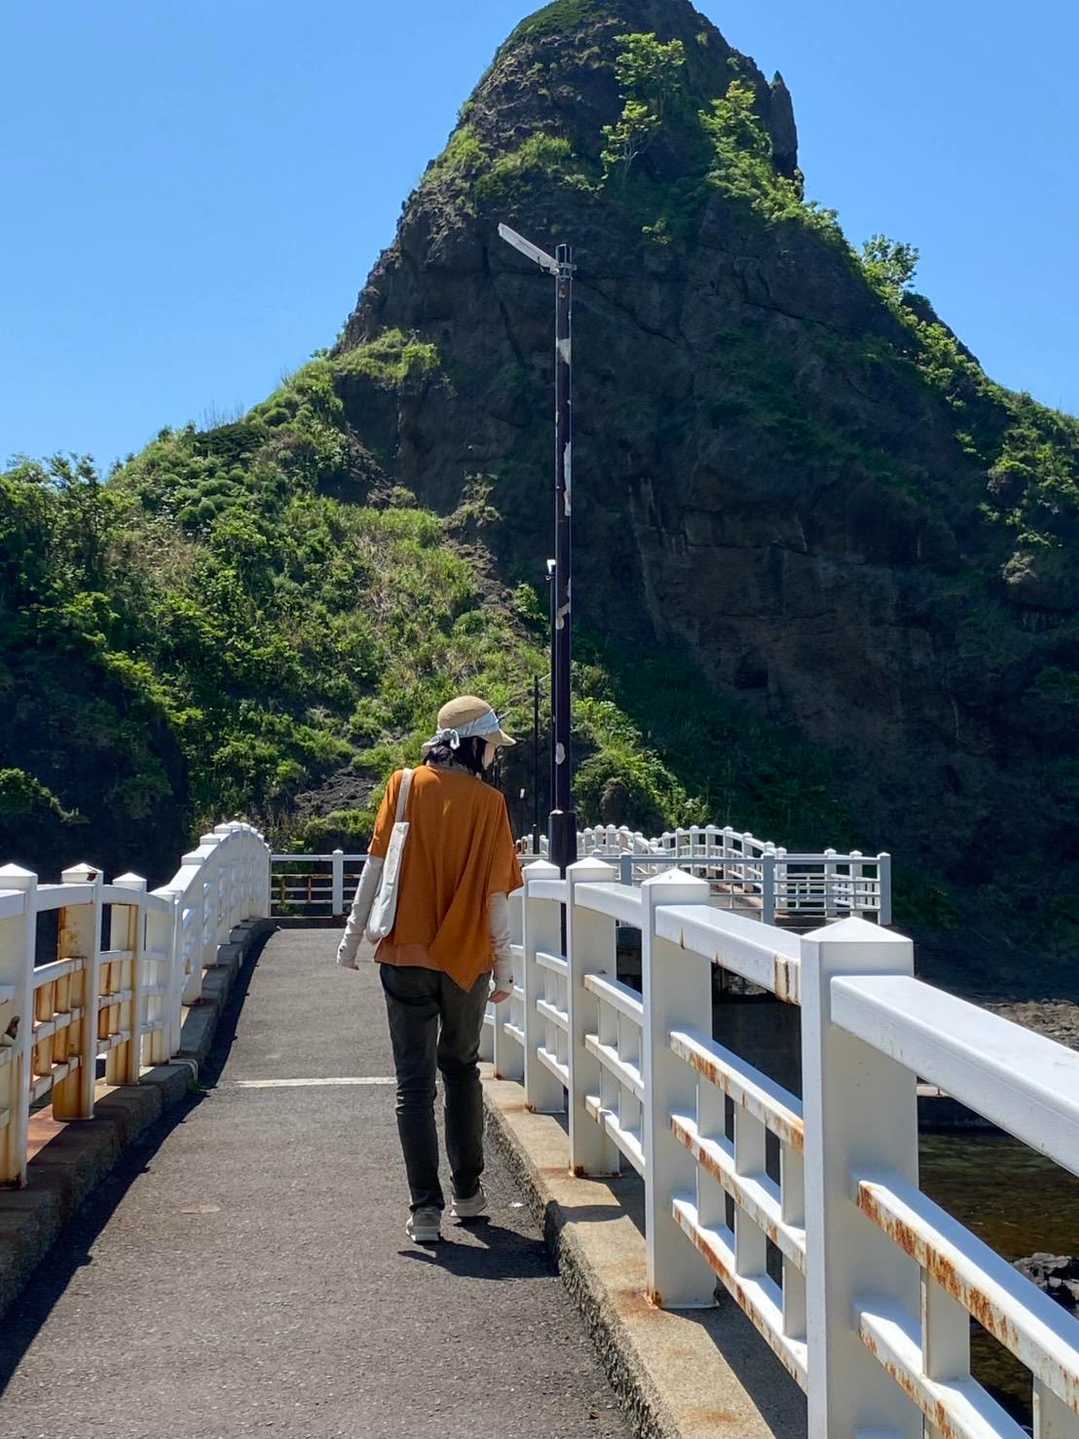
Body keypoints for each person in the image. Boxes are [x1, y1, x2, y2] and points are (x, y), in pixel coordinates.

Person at [336, 695, 523, 1243]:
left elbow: (375, 868)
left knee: (413, 1086)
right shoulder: (490, 804)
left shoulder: (403, 786)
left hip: (404, 955)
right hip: (466, 962)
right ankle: (468, 1194)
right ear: (472, 744)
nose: (495, 754)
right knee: (460, 1069)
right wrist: (505, 969)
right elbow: (495, 898)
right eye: (491, 745)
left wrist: (351, 940)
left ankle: (424, 1210)